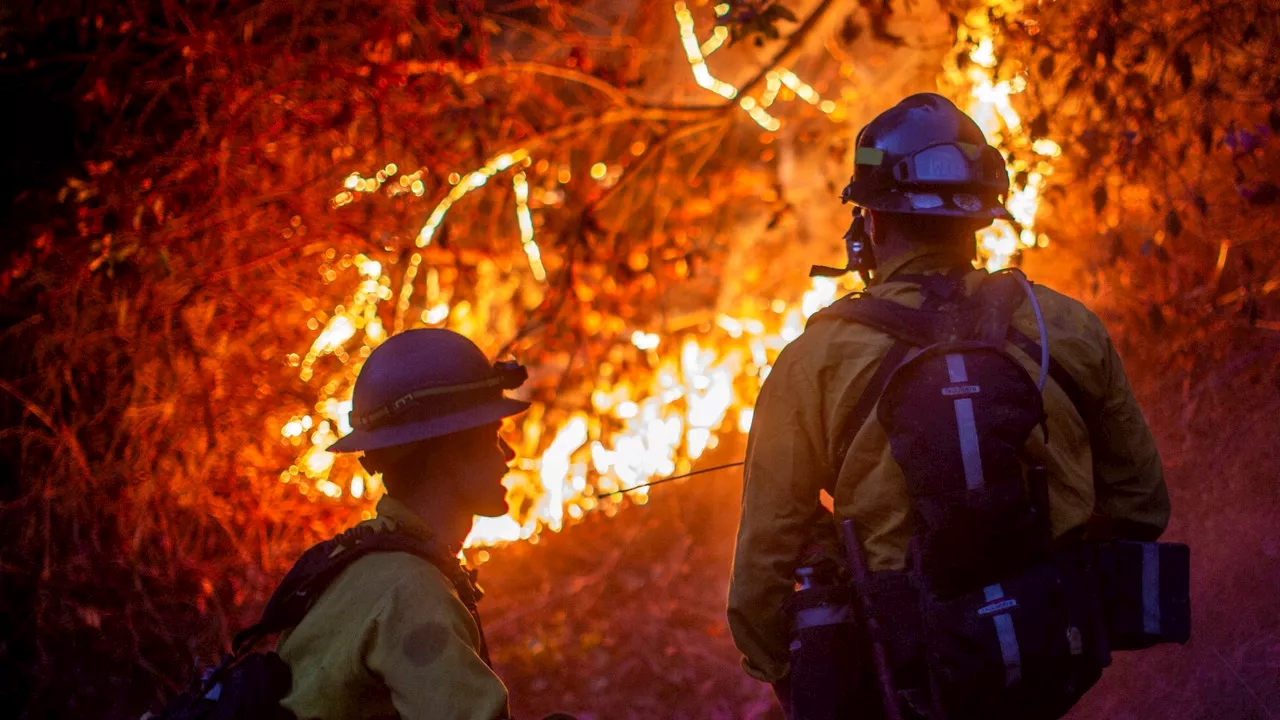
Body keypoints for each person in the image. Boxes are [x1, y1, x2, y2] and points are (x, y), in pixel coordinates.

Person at [727, 94, 1170, 718]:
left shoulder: (815, 360)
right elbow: (1142, 505)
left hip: (901, 678)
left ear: (872, 223)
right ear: (979, 218)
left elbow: (763, 569)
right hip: (1051, 668)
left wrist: (794, 675)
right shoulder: (1062, 327)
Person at [277, 328, 530, 720]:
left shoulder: (355, 562)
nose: (508, 455)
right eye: (493, 436)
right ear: (450, 452)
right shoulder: (414, 592)